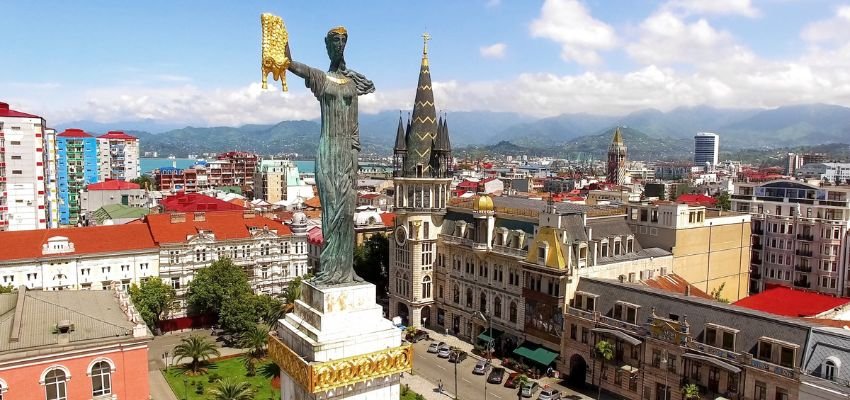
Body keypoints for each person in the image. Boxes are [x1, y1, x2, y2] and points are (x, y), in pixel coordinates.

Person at [285, 26, 375, 285]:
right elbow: (290, 64)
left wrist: (355, 152)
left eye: (343, 40)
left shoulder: (352, 83)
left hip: (348, 151)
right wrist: (280, 38)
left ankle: (345, 270)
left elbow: (355, 124)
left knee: (347, 213)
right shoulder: (321, 78)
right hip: (328, 151)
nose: (339, 44)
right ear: (326, 44)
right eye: (335, 40)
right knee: (331, 211)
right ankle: (330, 270)